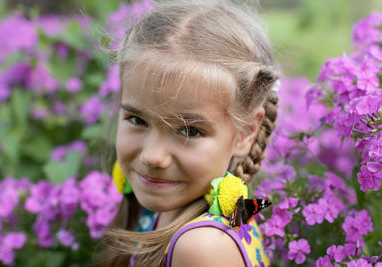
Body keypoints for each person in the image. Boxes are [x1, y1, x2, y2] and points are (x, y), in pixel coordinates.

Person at [100, 0, 279, 266]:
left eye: (189, 131)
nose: (152, 156)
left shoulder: (201, 248)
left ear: (245, 133)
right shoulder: (158, 209)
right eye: (137, 119)